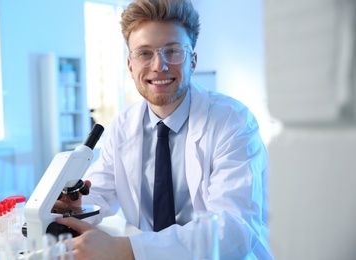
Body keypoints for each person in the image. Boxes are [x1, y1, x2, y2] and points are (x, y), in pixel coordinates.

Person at [55, 0, 273, 259]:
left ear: (192, 61)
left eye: (172, 51)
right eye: (145, 53)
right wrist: (79, 205)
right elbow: (100, 194)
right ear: (130, 66)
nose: (159, 65)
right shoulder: (123, 127)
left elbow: (234, 229)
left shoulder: (232, 121)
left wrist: (129, 250)